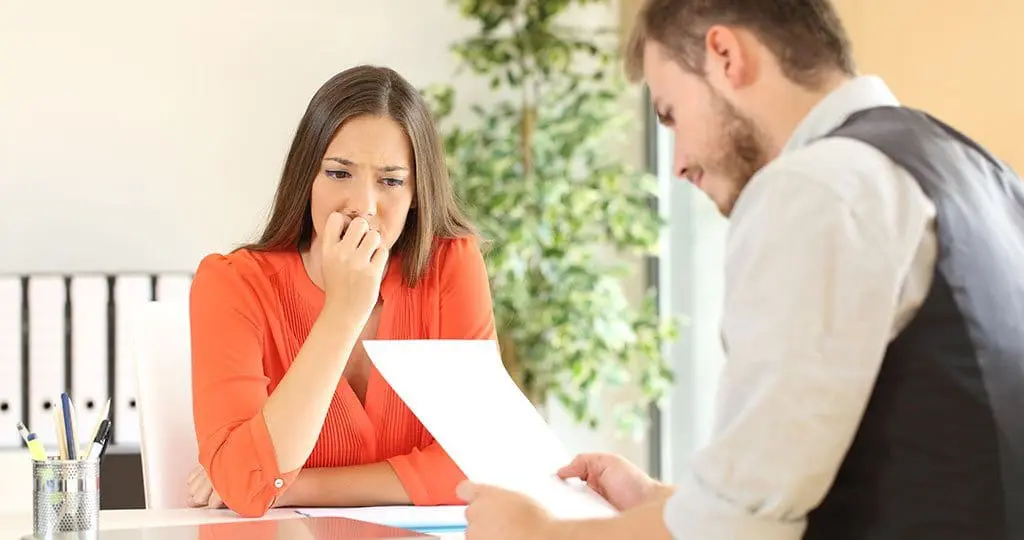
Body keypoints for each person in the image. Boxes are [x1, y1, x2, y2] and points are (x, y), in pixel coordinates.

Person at [458, 0, 1024, 539]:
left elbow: (734, 532)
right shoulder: (977, 171)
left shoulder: (815, 186)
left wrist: (541, 533)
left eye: (671, 114)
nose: (678, 164)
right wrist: (659, 500)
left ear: (725, 55)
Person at [184, 64, 497, 518]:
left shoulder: (451, 266)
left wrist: (293, 486)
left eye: (391, 181)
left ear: (416, 195)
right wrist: (344, 312)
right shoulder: (232, 284)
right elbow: (244, 481)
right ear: (306, 178)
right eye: (338, 173)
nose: (363, 206)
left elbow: (480, 462)